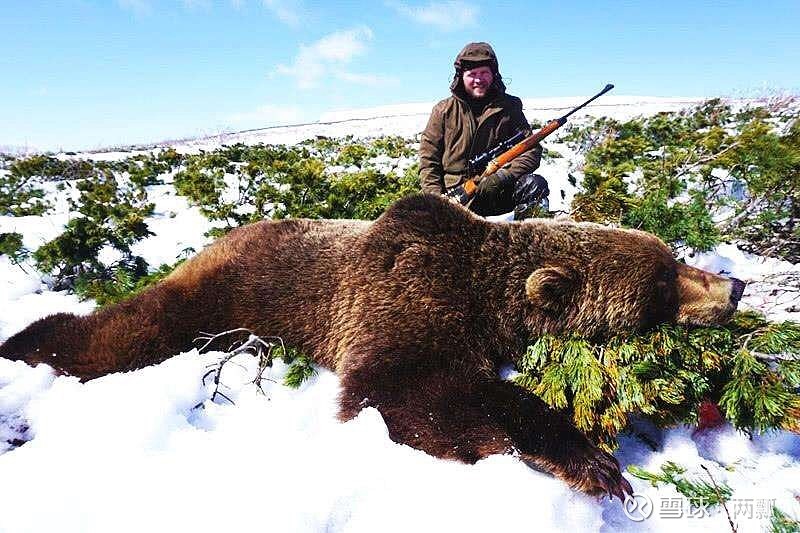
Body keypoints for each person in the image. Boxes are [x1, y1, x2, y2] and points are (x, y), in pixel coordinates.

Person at [419, 42, 549, 218]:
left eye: (484, 73)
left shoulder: (510, 107)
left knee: (534, 185)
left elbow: (531, 150)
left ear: (493, 75)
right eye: (472, 74)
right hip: (456, 197)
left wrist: (503, 176)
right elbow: (429, 162)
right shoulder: (443, 110)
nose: (478, 79)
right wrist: (437, 203)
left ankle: (528, 241)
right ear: (461, 76)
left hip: (498, 192)